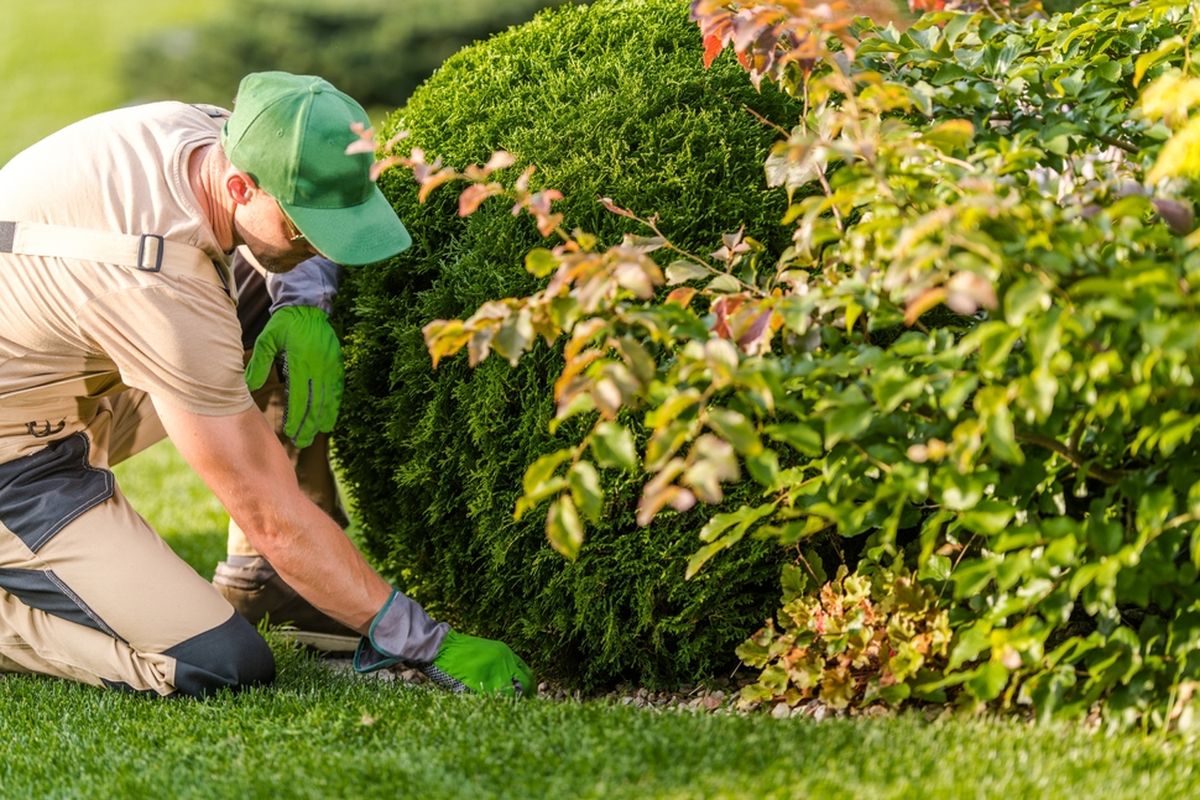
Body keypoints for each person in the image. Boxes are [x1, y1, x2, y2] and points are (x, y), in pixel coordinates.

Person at [0, 71, 534, 698]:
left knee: (273, 290)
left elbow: (283, 223)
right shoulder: (159, 285)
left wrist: (299, 302)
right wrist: (423, 640)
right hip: (20, 466)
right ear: (237, 185)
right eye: (304, 227)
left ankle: (271, 584)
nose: (317, 244)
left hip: (63, 373)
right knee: (219, 663)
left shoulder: (215, 134)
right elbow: (267, 509)